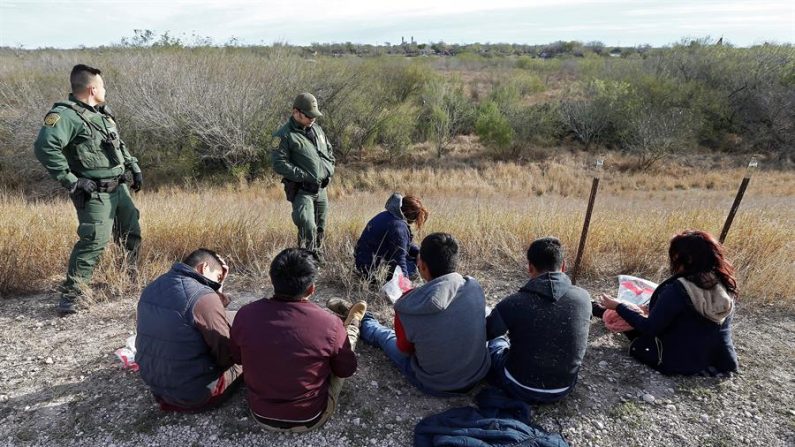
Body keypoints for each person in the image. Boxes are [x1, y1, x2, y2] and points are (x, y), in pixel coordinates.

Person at [33, 64, 143, 315]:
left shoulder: (102, 113)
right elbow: (44, 147)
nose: (106, 90)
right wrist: (71, 180)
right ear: (93, 89)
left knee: (131, 234)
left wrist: (133, 166)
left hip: (119, 188)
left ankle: (128, 278)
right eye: (103, 86)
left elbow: (118, 144)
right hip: (94, 193)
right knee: (94, 241)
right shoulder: (65, 115)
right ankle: (72, 295)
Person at [230, 248, 367, 432]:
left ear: (272, 280)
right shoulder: (328, 324)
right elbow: (346, 370)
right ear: (311, 289)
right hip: (310, 417)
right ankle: (353, 323)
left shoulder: (245, 315)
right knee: (344, 341)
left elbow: (238, 358)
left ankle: (350, 320)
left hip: (260, 414)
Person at [360, 233, 491, 395]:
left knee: (385, 337)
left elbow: (404, 350)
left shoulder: (407, 305)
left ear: (422, 266)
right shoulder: (474, 287)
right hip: (478, 374)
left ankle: (365, 322)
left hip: (435, 384)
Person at [596, 230, 739, 376]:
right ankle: (598, 308)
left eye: (675, 256)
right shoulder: (723, 284)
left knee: (625, 316)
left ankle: (596, 308)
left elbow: (649, 328)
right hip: (715, 359)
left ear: (687, 259)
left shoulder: (679, 289)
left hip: (675, 361)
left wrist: (618, 307)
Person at [486, 237, 591, 404]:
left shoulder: (514, 302)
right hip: (563, 388)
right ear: (563, 266)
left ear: (530, 267)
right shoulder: (584, 298)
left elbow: (487, 332)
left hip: (518, 386)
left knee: (497, 343)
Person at [136, 248, 242, 412]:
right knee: (248, 351)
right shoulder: (203, 298)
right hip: (197, 396)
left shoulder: (153, 287)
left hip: (159, 391)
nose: (218, 282)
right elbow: (227, 357)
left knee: (229, 317)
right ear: (204, 268)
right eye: (218, 277)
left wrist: (217, 287)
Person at [271, 93, 335, 255]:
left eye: (314, 115)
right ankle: (305, 260)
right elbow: (278, 164)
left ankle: (317, 258)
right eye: (308, 115)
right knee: (307, 225)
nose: (312, 118)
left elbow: (329, 151)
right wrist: (304, 175)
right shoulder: (283, 135)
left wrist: (330, 168)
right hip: (302, 191)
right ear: (296, 112)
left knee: (320, 227)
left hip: (322, 190)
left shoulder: (318, 130)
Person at [354, 193, 429, 279]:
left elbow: (403, 244)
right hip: (373, 270)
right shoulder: (399, 226)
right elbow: (399, 259)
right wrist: (405, 283)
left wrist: (419, 252)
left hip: (363, 264)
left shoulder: (387, 216)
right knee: (417, 266)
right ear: (411, 216)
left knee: (416, 259)